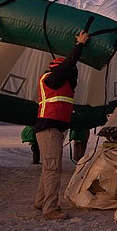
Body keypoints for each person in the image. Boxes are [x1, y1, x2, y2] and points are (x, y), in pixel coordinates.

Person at [32, 30, 89, 220]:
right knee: (53, 168)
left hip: (55, 128)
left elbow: (71, 73)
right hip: (48, 128)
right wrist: (79, 46)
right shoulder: (50, 78)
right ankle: (50, 208)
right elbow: (67, 68)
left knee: (49, 167)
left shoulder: (64, 82)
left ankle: (41, 202)